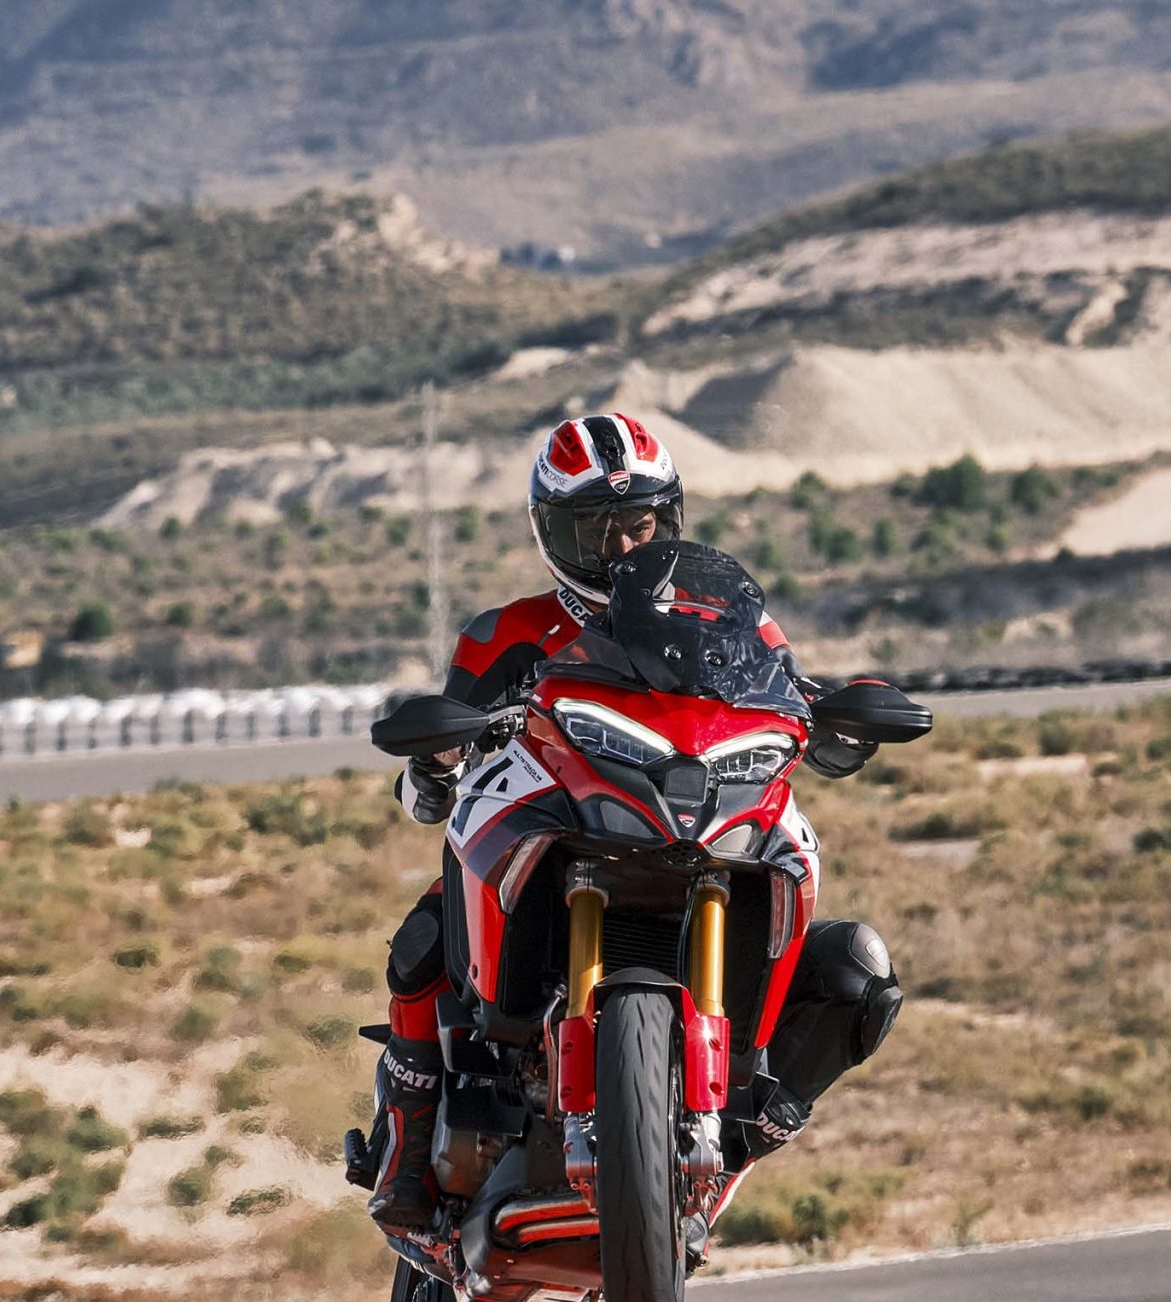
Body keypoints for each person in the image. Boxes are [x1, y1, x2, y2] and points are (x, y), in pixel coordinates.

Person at [366, 413, 903, 1245]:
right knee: (426, 936)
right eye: (595, 527)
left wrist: (840, 721)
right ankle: (404, 1154)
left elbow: (788, 697)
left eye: (638, 524)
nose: (620, 546)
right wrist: (433, 765)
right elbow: (427, 791)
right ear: (552, 531)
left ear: (670, 519)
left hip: (694, 815)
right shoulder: (503, 633)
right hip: (556, 820)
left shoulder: (734, 625)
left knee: (856, 969)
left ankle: (747, 1124)